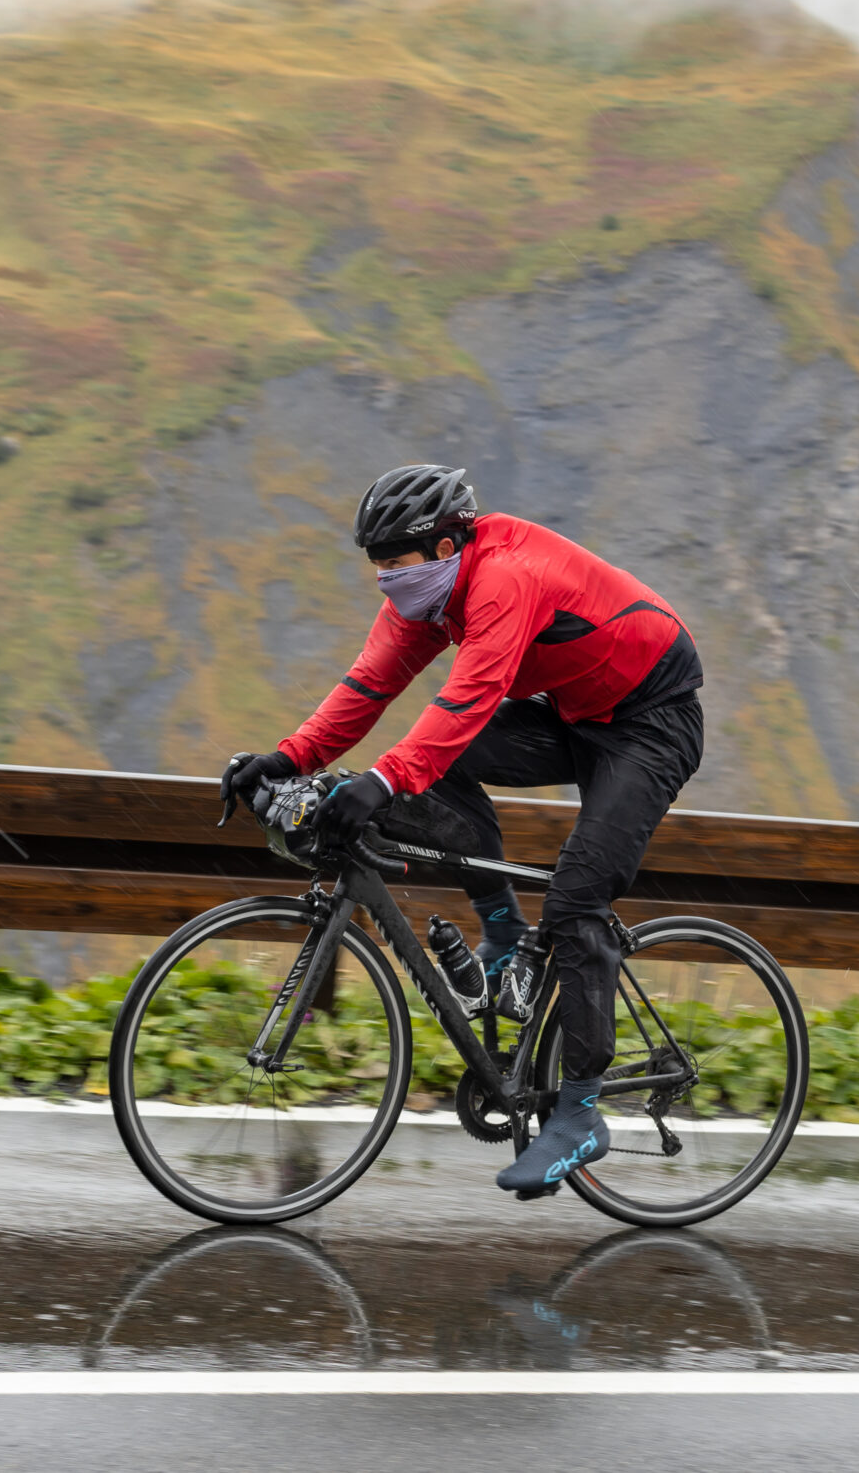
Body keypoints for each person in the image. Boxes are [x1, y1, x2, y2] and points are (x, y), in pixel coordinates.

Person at [219, 464, 705, 1197]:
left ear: (446, 543)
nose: (383, 579)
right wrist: (285, 757)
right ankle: (504, 931)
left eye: (393, 562)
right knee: (433, 758)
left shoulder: (506, 576)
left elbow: (470, 696)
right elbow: (367, 687)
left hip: (651, 724)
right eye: (374, 563)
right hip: (576, 715)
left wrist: (380, 781)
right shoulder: (430, 596)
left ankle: (579, 1117)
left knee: (575, 900)